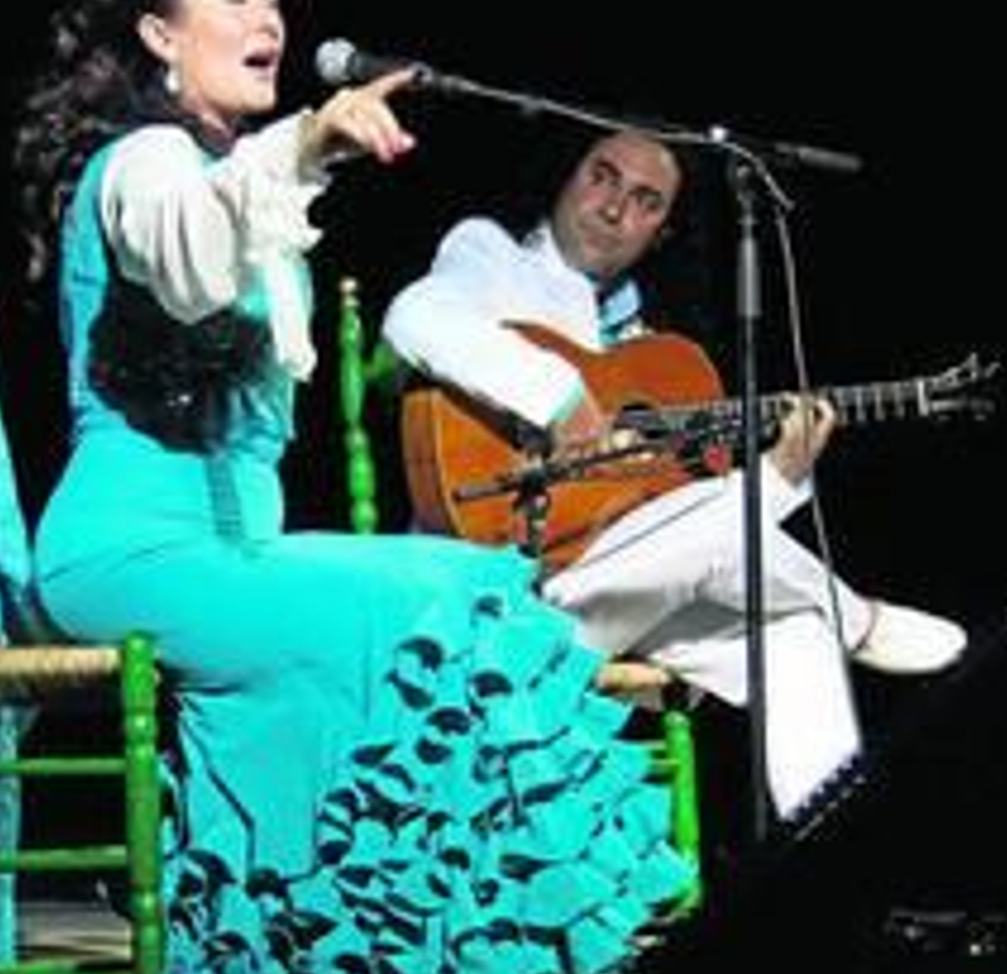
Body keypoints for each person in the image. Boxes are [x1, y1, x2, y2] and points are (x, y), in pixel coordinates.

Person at [10, 0, 690, 974]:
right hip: (127, 549)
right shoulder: (142, 166)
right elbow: (183, 259)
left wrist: (292, 160)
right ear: (157, 36)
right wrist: (306, 146)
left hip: (237, 549)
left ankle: (507, 935)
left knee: (481, 584)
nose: (267, 19)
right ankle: (341, 939)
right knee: (416, 607)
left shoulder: (239, 186)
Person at [381, 126, 968, 822]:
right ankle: (858, 615)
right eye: (602, 176)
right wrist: (561, 398)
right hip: (511, 585)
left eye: (645, 200)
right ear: (567, 175)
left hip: (628, 589)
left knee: (791, 628)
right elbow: (413, 316)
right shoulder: (494, 255)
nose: (613, 206)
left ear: (661, 232)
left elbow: (705, 537)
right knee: (758, 551)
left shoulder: (656, 356)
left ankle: (828, 864)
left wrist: (782, 472)